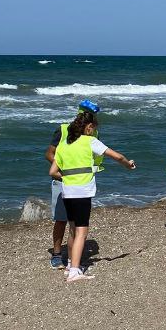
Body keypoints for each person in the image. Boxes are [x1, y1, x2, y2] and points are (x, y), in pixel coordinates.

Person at [49, 111, 136, 282]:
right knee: (82, 231)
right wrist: (128, 164)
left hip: (67, 192)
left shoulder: (64, 145)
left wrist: (67, 177)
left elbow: (52, 172)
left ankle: (69, 265)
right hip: (83, 192)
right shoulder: (90, 141)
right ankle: (74, 270)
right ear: (88, 127)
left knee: (73, 229)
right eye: (93, 128)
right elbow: (116, 156)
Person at [45, 99, 101, 269]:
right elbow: (49, 154)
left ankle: (72, 260)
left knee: (75, 223)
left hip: (81, 183)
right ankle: (56, 254)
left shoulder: (93, 133)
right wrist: (65, 173)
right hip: (62, 180)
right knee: (61, 219)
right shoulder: (63, 129)